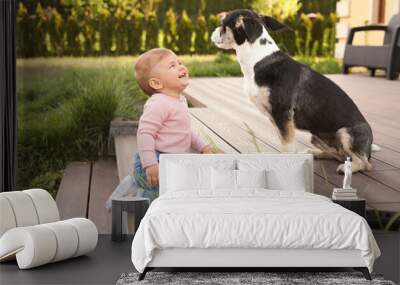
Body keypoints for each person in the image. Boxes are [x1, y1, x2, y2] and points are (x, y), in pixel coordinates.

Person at [106, 48, 222, 209]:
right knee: (158, 200)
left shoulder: (179, 100)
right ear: (156, 83)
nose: (181, 67)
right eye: (172, 66)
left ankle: (135, 184)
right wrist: (150, 164)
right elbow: (145, 133)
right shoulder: (158, 103)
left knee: (177, 188)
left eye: (179, 62)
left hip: (173, 159)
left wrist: (204, 147)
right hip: (157, 160)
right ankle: (138, 197)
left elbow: (186, 132)